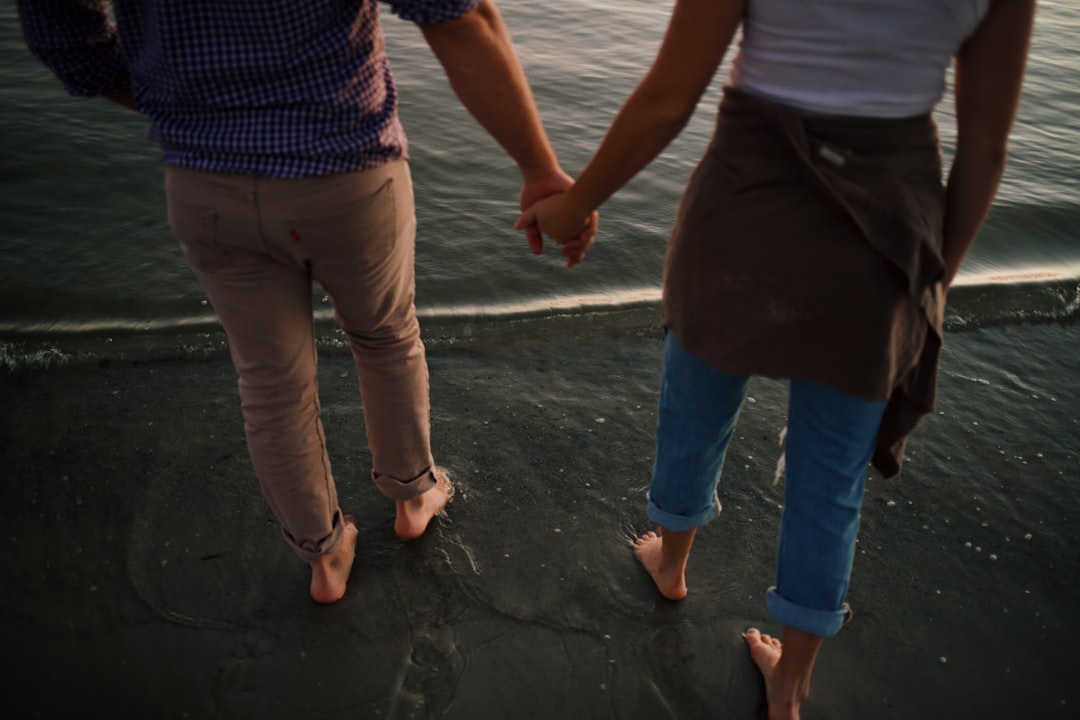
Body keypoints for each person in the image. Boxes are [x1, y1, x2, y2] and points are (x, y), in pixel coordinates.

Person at [517, 0, 1035, 717]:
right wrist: (932, 278)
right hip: (885, 230)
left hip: (744, 208)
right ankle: (788, 686)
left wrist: (574, 209)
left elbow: (670, 98)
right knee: (830, 478)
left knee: (695, 412)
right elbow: (986, 149)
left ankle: (671, 563)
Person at [18, 0, 595, 606]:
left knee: (271, 382)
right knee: (384, 336)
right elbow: (458, 17)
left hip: (205, 185)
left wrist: (181, 104)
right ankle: (412, 496)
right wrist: (539, 167)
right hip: (345, 171)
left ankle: (324, 559)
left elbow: (62, 33)